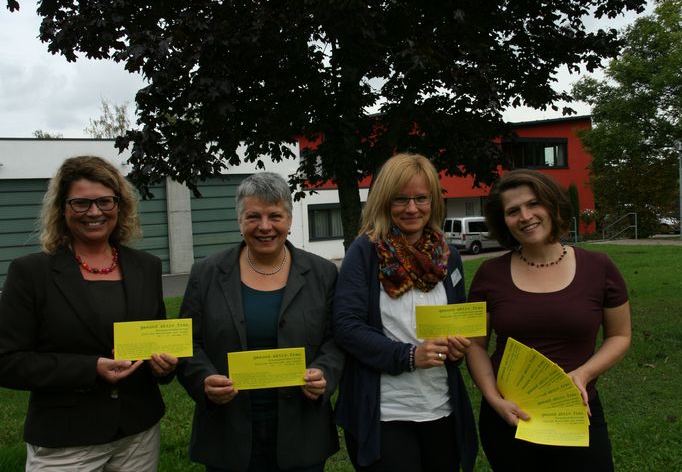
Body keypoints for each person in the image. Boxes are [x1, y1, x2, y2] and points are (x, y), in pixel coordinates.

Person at [0, 155, 178, 471]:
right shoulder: (31, 273)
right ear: (62, 209)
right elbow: (8, 361)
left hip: (138, 433)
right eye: (81, 203)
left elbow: (154, 339)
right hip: (66, 438)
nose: (94, 212)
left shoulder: (146, 267)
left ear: (119, 206)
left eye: (105, 202)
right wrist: (90, 368)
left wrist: (163, 366)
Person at [176, 172, 343, 472]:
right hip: (229, 430)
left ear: (290, 220)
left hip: (301, 429)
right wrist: (203, 380)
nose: (264, 227)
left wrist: (324, 373)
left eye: (275, 216)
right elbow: (187, 341)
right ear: (239, 221)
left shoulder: (322, 273)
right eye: (253, 216)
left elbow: (336, 338)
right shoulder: (207, 273)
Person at [466, 169, 631, 471]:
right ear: (504, 221)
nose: (525, 216)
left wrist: (583, 374)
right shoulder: (490, 274)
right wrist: (493, 399)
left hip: (577, 413)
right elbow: (475, 346)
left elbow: (620, 335)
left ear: (552, 206)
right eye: (513, 211)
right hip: (509, 418)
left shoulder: (599, 267)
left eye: (534, 204)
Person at [333, 153, 478, 472]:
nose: (412, 208)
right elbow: (346, 325)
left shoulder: (448, 256)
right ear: (384, 201)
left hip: (440, 406)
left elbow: (458, 321)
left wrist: (456, 348)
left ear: (433, 201)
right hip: (387, 412)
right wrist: (410, 356)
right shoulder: (366, 252)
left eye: (421, 198)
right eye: (400, 199)